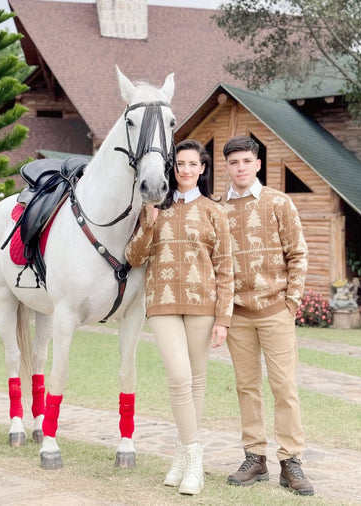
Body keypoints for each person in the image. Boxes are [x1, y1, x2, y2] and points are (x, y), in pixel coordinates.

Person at [125, 139, 234, 495]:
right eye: (180, 165)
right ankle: (195, 458)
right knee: (179, 377)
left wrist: (224, 318)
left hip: (203, 304)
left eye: (192, 164)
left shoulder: (215, 211)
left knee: (196, 382)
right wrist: (150, 223)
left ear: (203, 169)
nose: (185, 170)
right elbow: (134, 257)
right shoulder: (154, 208)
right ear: (173, 169)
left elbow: (225, 268)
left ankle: (181, 459)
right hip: (163, 302)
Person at [222, 135, 314, 496]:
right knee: (246, 387)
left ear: (257, 164)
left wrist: (291, 302)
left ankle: (290, 461)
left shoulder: (279, 202)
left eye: (246, 161)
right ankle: (254, 457)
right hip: (238, 314)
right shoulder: (218, 207)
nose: (241, 167)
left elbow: (298, 254)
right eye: (234, 162)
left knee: (284, 386)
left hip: (276, 309)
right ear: (227, 166)